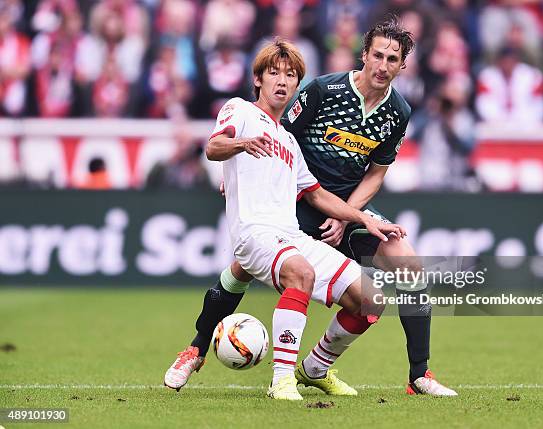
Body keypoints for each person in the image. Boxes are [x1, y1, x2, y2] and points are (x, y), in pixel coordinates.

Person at [166, 18, 457, 397]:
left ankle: (417, 374)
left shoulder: (398, 111)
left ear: (403, 65)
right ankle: (197, 347)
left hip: (343, 201)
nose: (383, 66)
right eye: (378, 56)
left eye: (393, 59)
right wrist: (237, 164)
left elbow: (376, 174)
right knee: (243, 267)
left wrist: (350, 214)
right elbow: (273, 127)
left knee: (407, 265)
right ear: (364, 55)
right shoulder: (323, 90)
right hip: (294, 200)